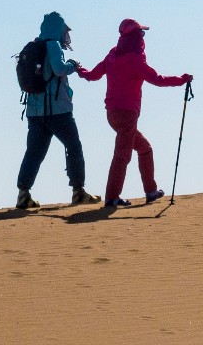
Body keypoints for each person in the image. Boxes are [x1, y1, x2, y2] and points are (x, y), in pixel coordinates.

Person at [78, 19, 192, 208]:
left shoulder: (112, 55)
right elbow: (157, 79)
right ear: (137, 37)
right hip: (128, 114)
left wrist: (79, 70)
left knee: (144, 149)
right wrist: (182, 80)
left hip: (112, 114)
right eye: (141, 34)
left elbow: (93, 75)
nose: (143, 37)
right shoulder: (135, 59)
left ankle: (151, 191)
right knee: (122, 155)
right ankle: (112, 197)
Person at [14, 12, 98, 211]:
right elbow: (60, 69)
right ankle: (78, 192)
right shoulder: (53, 45)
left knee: (34, 153)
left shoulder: (33, 46)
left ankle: (23, 194)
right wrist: (73, 64)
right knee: (74, 147)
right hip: (58, 111)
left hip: (35, 112)